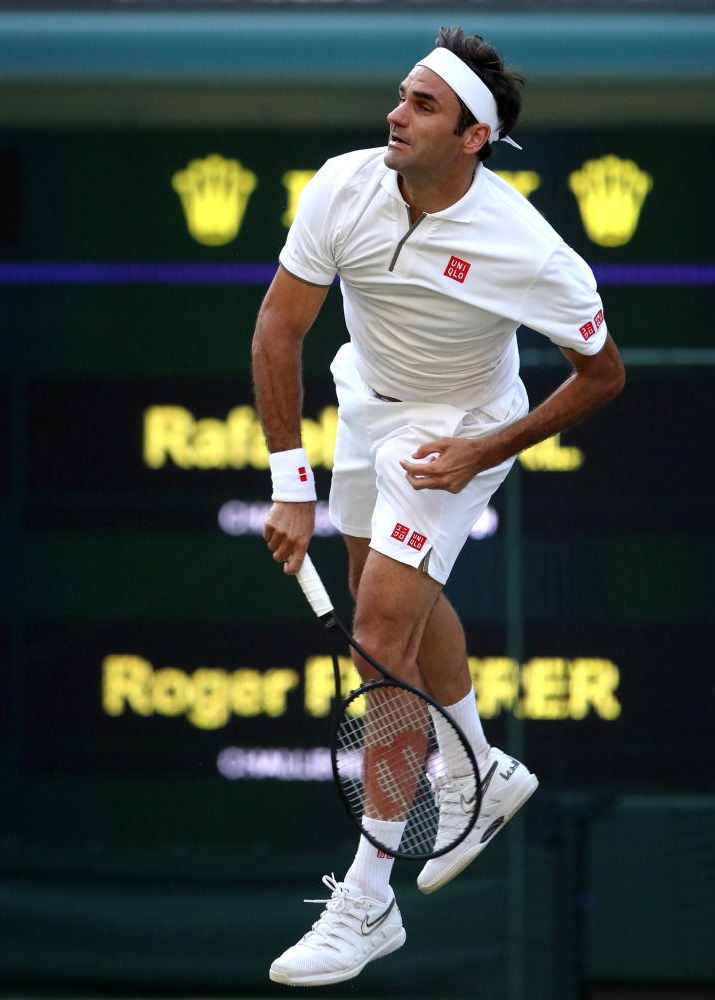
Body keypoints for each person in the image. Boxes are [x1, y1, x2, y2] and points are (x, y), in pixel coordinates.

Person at [252, 26, 625, 988]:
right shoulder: (343, 186)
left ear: (471, 137)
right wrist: (290, 484)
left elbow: (602, 374)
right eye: (401, 95)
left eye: (422, 105)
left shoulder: (527, 249)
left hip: (458, 428)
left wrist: (481, 451)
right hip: (367, 404)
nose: (396, 113)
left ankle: (367, 901)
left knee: (378, 634)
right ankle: (478, 768)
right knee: (393, 610)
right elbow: (278, 327)